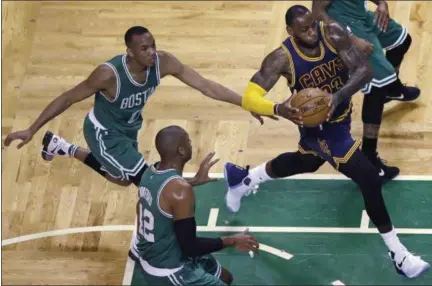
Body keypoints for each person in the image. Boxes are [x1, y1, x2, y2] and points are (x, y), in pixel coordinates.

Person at [224, 5, 430, 279]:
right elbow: (250, 96)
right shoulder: (281, 59)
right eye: (304, 29)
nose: (311, 32)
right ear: (290, 31)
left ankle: (244, 179)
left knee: (307, 161)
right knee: (368, 177)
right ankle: (399, 254)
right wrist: (276, 108)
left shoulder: (331, 33)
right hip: (319, 128)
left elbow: (364, 71)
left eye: (311, 25)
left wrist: (338, 96)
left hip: (339, 116)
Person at [3, 26, 298, 187]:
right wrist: (30, 129)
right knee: (144, 182)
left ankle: (60, 146)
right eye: (144, 49)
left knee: (119, 178)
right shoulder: (109, 74)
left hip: (129, 128)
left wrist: (250, 104)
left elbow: (207, 86)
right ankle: (143, 245)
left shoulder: (164, 62)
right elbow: (68, 97)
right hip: (105, 134)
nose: (152, 52)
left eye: (153, 45)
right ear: (129, 52)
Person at [129, 125, 259, 285]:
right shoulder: (181, 190)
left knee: (226, 278)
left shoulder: (150, 172)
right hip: (169, 269)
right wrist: (232, 240)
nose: (192, 144)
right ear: (181, 150)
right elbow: (190, 247)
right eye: (188, 141)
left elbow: (158, 199)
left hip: (161, 250)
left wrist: (194, 181)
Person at [312, 0, 419, 181]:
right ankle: (369, 156)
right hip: (344, 29)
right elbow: (317, 12)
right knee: (376, 88)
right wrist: (351, 39)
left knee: (401, 40)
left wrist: (382, 3)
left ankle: (392, 88)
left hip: (361, 18)